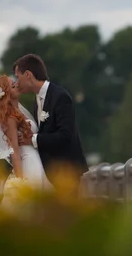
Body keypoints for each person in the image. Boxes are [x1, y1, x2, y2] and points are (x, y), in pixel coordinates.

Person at [14, 54, 88, 195]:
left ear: (28, 74)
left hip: (67, 171)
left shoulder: (60, 96)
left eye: (18, 77)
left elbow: (66, 135)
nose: (17, 83)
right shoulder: (37, 100)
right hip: (50, 172)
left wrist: (33, 139)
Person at [0, 74, 52, 211]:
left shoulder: (20, 112)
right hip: (28, 163)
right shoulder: (10, 118)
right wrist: (20, 181)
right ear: (6, 93)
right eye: (13, 86)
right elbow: (14, 152)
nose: (17, 86)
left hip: (37, 160)